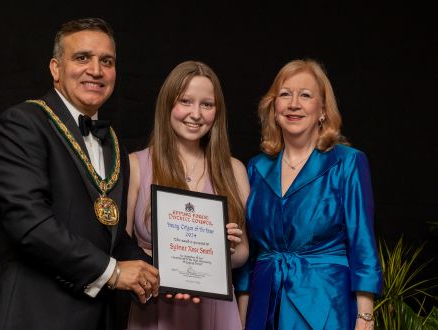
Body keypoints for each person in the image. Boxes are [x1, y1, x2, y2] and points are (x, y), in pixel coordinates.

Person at [0, 18, 159, 330]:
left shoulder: (113, 143)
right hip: (30, 315)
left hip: (96, 317)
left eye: (106, 61)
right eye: (82, 57)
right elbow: (28, 222)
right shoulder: (22, 124)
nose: (96, 70)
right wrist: (112, 272)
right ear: (56, 68)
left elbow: (109, 233)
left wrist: (164, 275)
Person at [235, 59, 382, 329]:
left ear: (323, 110)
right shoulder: (256, 167)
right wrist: (243, 317)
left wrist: (365, 316)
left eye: (305, 95)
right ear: (274, 107)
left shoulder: (348, 163)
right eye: (285, 94)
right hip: (264, 303)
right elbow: (250, 253)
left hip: (325, 304)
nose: (294, 104)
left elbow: (362, 242)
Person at [126, 60, 250, 330]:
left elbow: (242, 255)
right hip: (155, 307)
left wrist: (226, 247)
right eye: (185, 101)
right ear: (168, 104)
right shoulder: (136, 165)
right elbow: (120, 246)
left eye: (207, 104)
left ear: (217, 112)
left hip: (216, 310)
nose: (196, 113)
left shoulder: (234, 170)